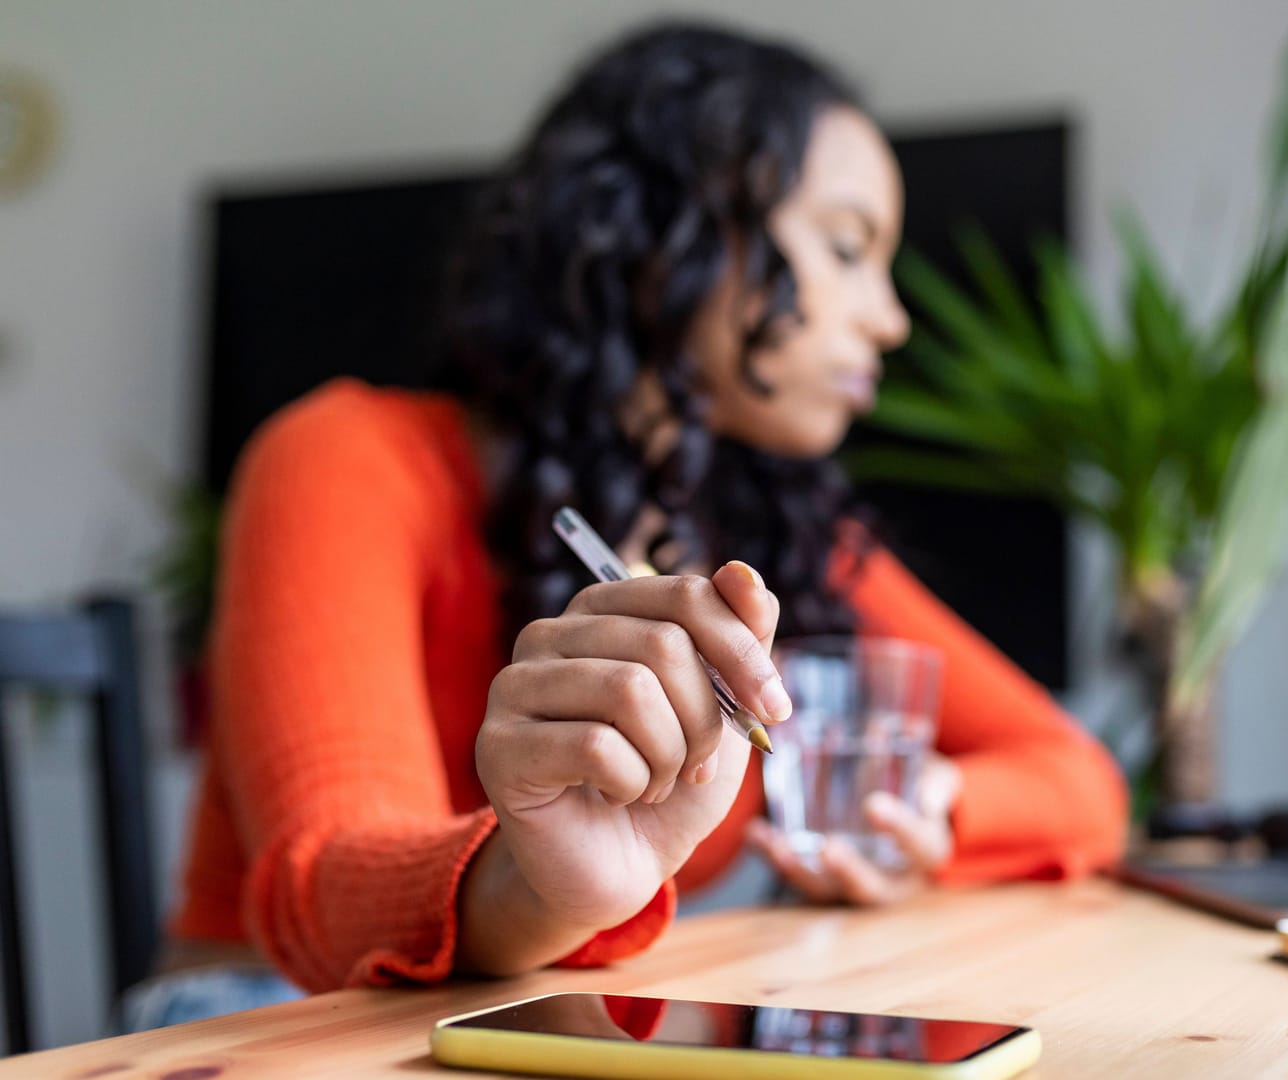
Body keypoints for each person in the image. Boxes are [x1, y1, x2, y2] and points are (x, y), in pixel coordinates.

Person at [128, 22, 1128, 1029]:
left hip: (551, 1027)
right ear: (668, 234)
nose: (890, 318)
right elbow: (329, 885)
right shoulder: (348, 458)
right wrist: (541, 882)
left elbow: (1078, 779)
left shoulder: (769, 535)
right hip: (269, 1024)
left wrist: (924, 809)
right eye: (844, 248)